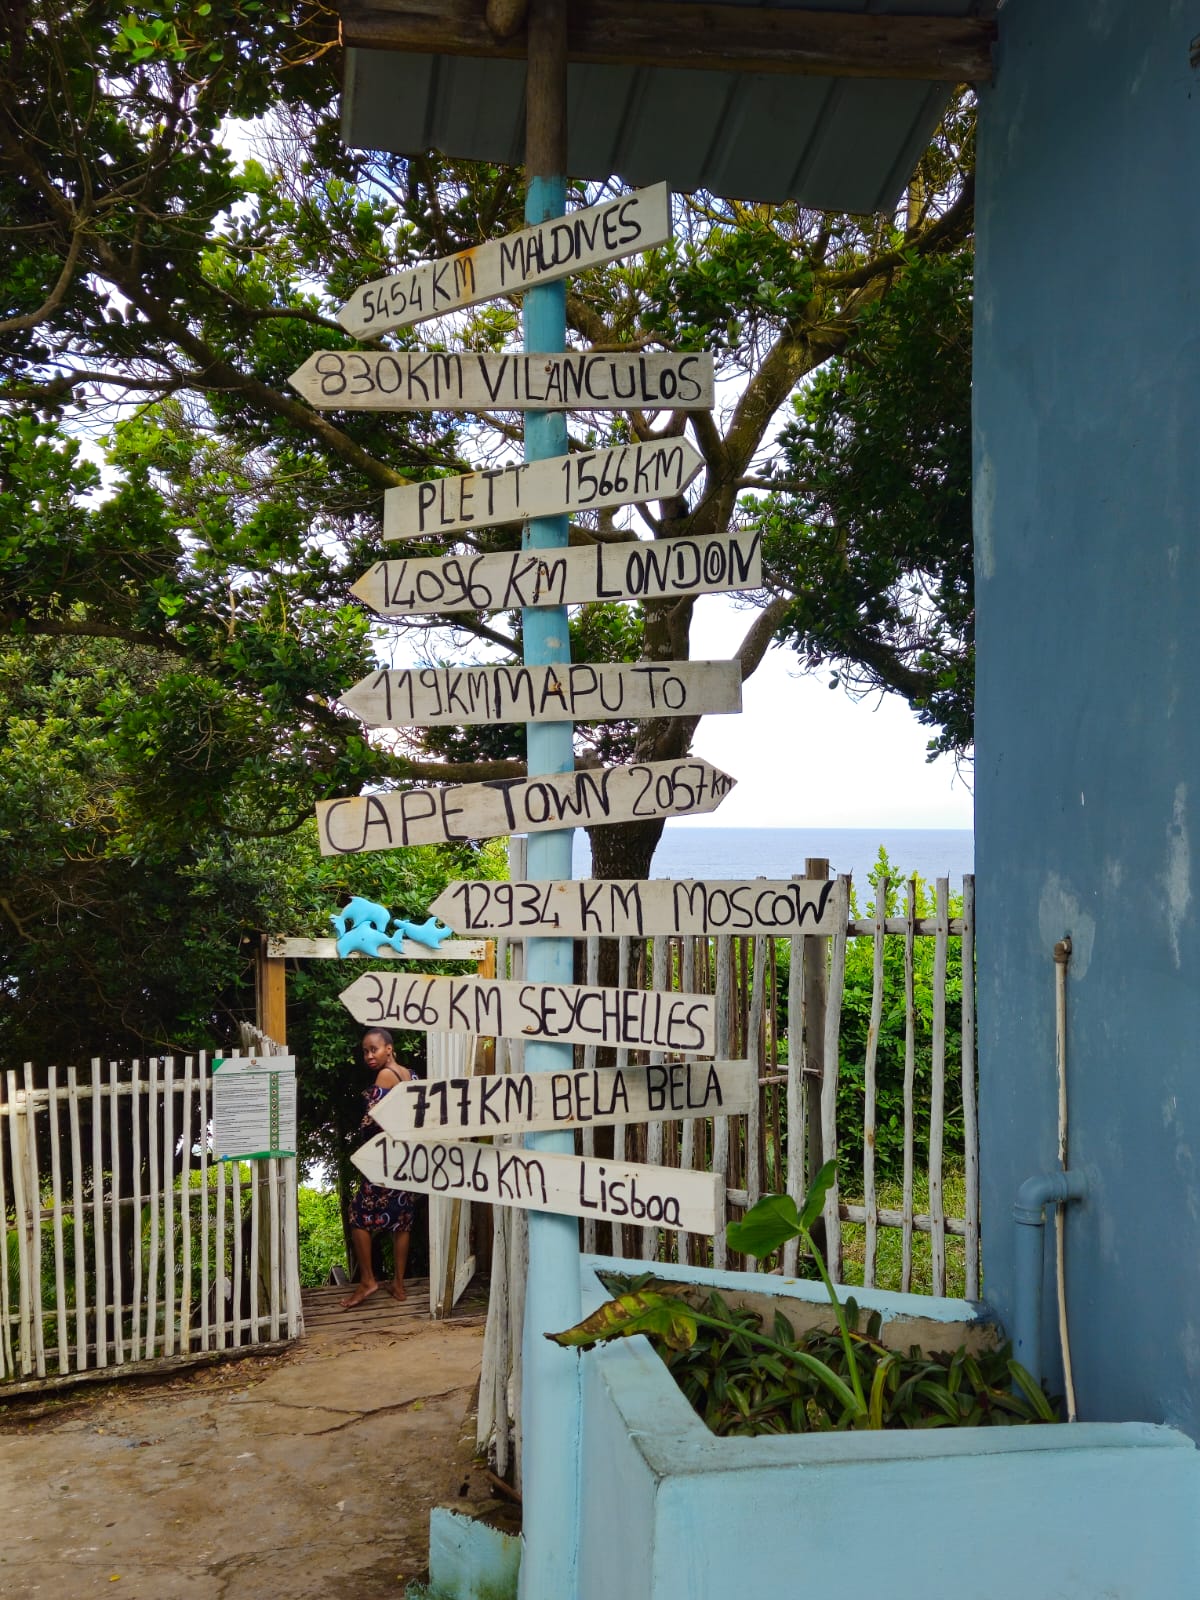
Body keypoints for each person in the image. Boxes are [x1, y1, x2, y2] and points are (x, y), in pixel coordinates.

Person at [341, 1028, 416, 1308]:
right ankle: (399, 1283)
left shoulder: (385, 1076)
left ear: (389, 1048)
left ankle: (368, 1280)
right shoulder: (411, 1075)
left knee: (357, 1215)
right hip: (405, 1157)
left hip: (384, 1159)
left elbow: (375, 1118)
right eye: (365, 1051)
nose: (369, 1055)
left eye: (374, 1049)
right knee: (402, 1220)